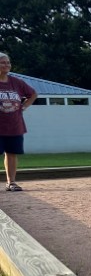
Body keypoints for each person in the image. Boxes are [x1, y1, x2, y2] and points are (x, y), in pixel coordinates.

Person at [0, 52, 38, 191]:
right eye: (3, 62)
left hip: (14, 125)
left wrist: (25, 106)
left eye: (8, 62)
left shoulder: (16, 82)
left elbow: (33, 94)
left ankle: (11, 183)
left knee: (11, 153)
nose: (7, 65)